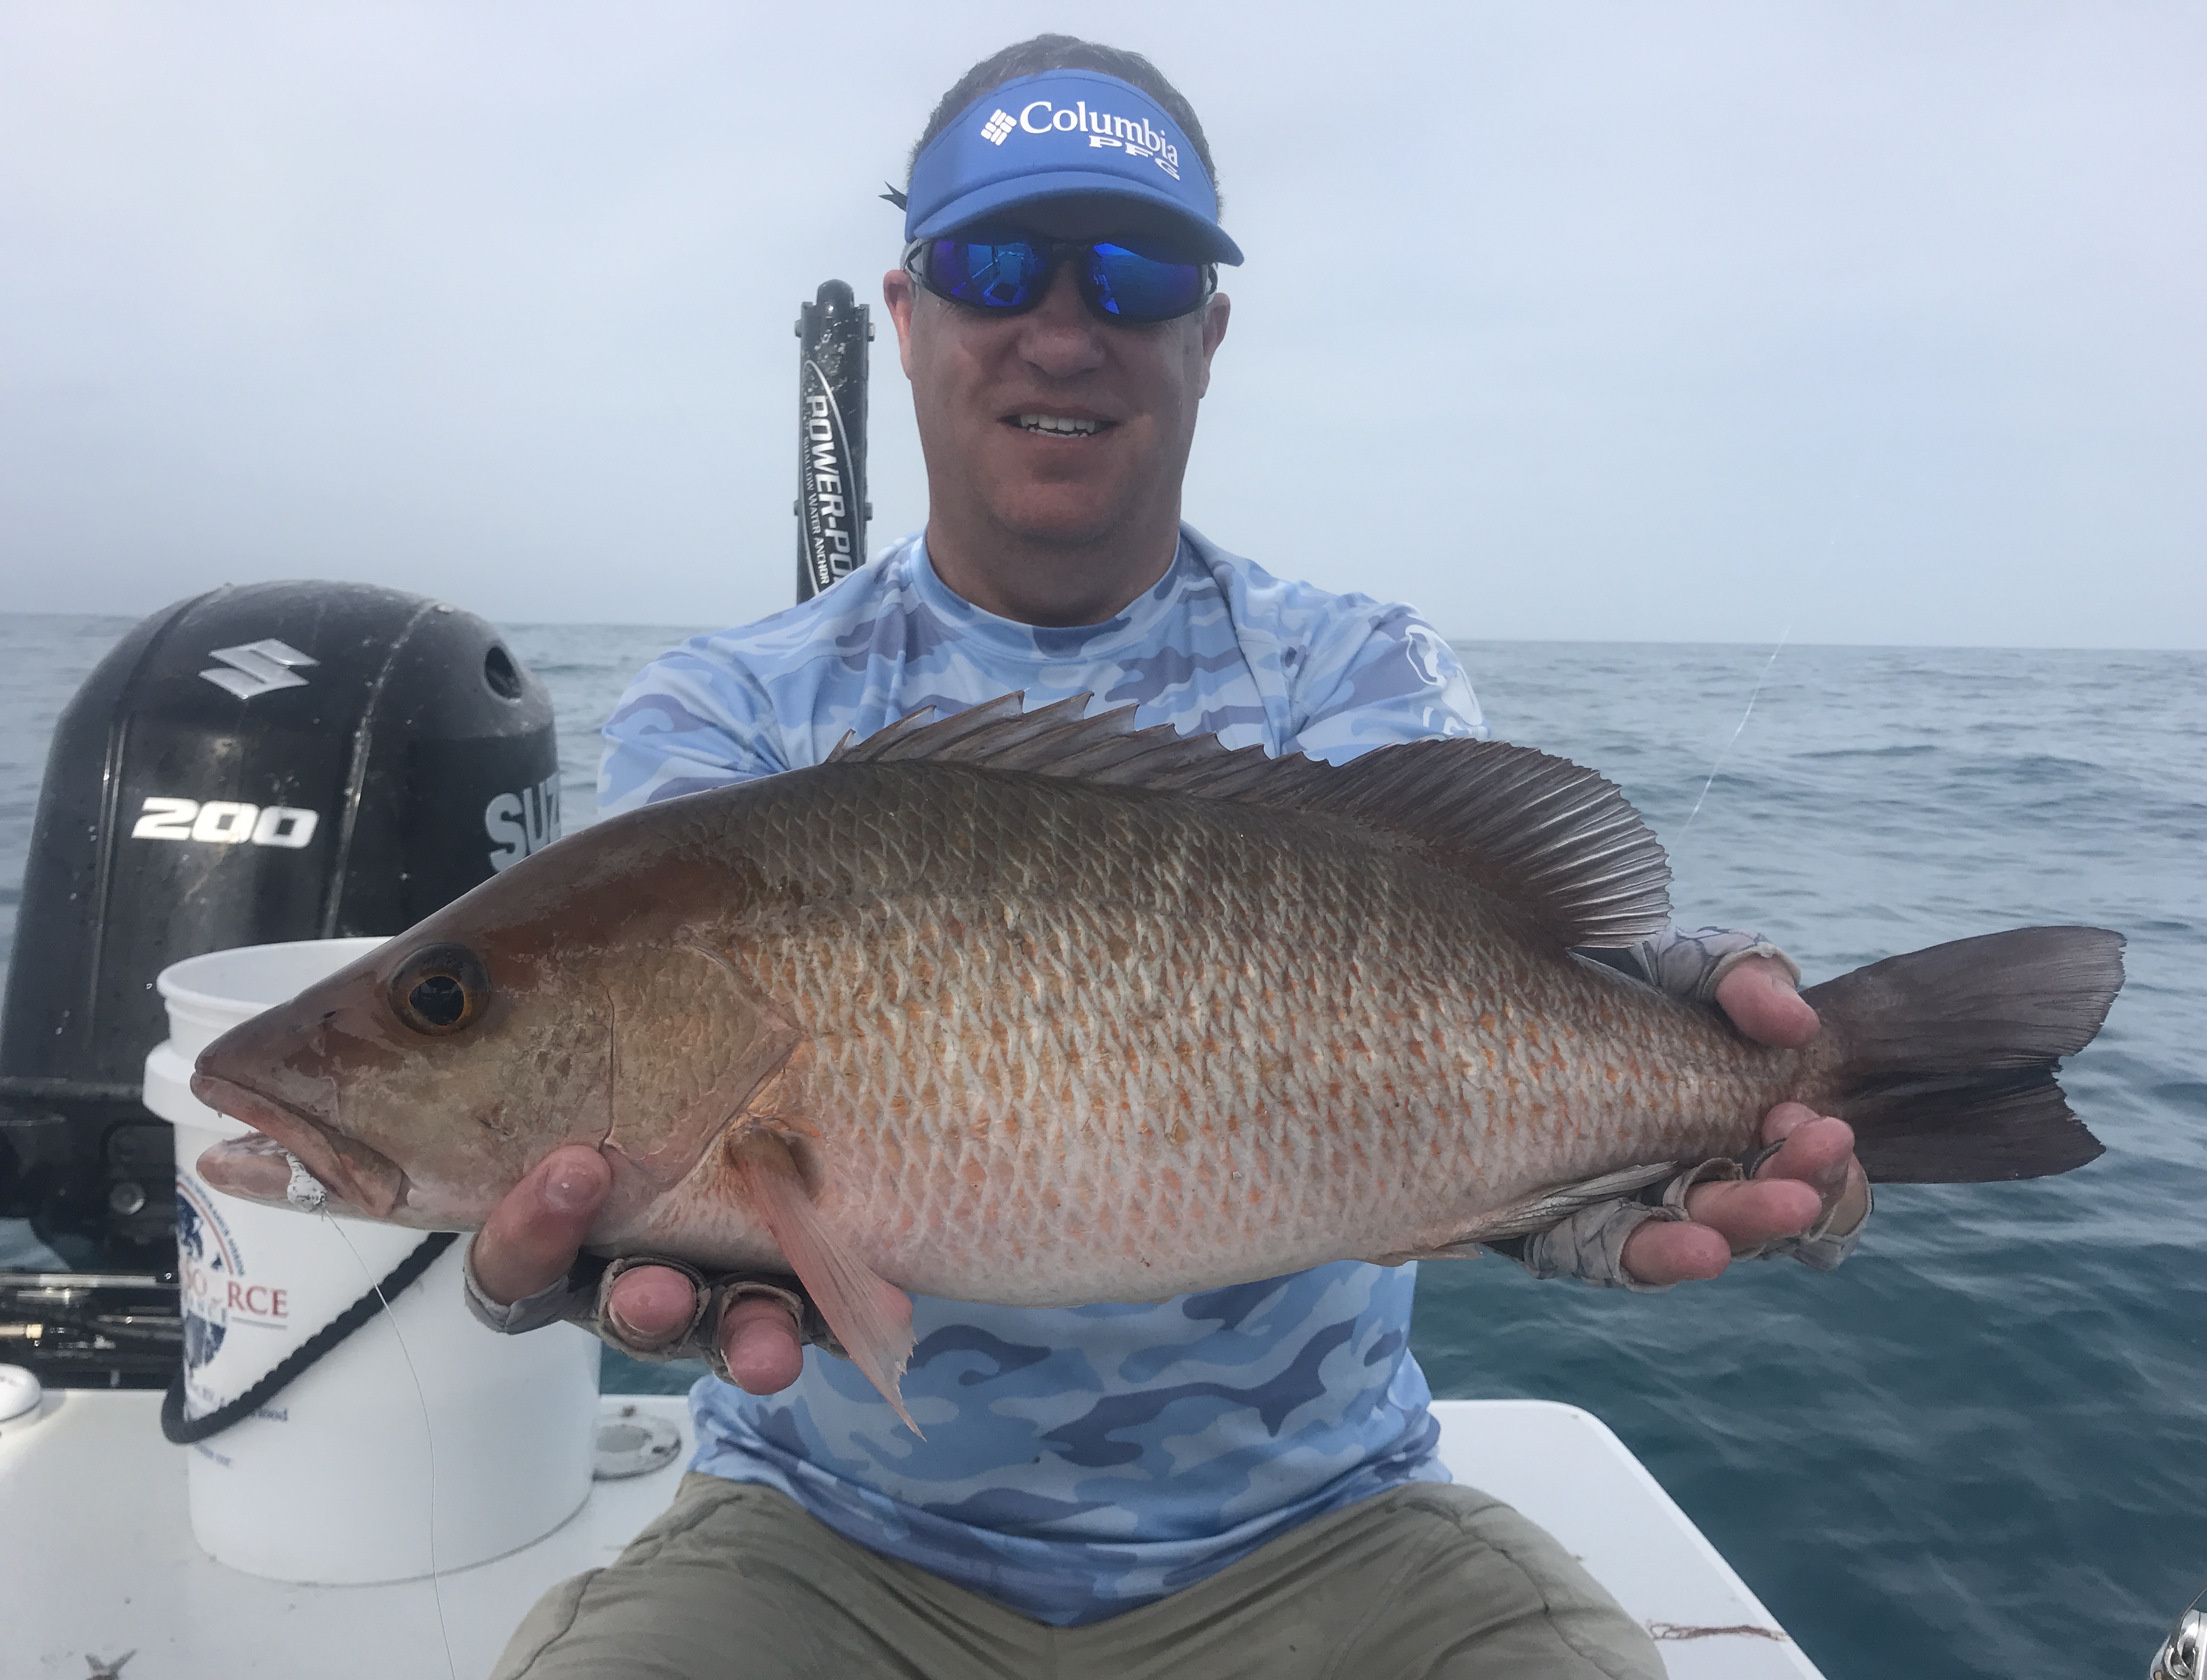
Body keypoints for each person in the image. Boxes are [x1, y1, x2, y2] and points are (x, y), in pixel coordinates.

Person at [477, 36, 1870, 1680]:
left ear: (1207, 336)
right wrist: (573, 1256)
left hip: (1331, 1530)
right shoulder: (730, 718)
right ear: (909, 315)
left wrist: (1695, 1108)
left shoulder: (1352, 675)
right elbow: (630, 1148)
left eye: (1134, 277)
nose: (1063, 328)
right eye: (995, 265)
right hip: (823, 1541)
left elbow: (1479, 1014)